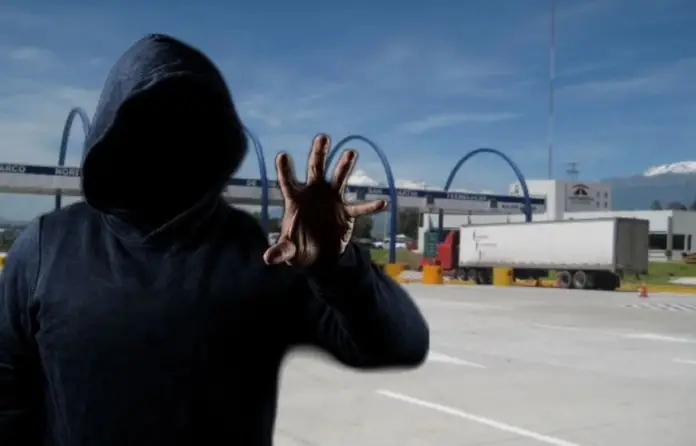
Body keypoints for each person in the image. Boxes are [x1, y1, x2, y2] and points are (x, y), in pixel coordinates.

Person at [0, 34, 429, 446]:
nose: (165, 145)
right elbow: (7, 389)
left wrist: (336, 267)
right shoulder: (45, 247)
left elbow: (399, 345)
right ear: (110, 134)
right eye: (144, 123)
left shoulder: (262, 255)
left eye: (186, 126)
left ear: (213, 141)